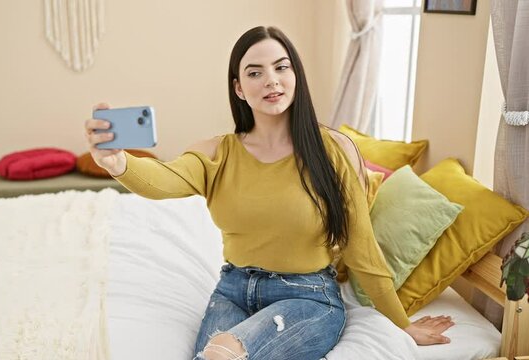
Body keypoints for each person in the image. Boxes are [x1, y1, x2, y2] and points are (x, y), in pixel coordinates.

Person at [84, 26, 454, 360]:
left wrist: (401, 324)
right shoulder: (218, 151)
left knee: (220, 355)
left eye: (281, 67)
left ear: (296, 74)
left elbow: (362, 248)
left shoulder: (333, 150)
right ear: (239, 89)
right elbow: (163, 180)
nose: (271, 81)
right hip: (233, 289)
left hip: (308, 296)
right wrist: (118, 163)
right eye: (255, 73)